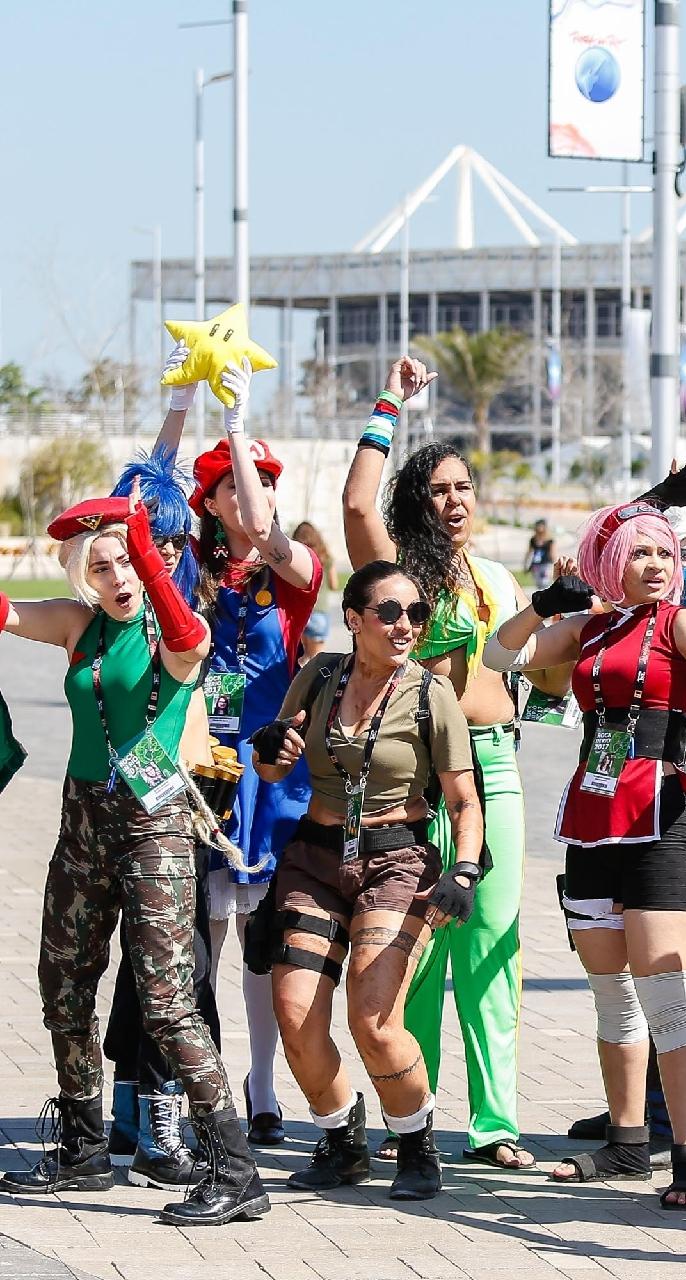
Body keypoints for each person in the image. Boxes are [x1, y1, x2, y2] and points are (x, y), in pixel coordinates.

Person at [0, 487, 267, 1225]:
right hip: (83, 815)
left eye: (126, 564)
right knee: (63, 981)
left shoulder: (180, 633)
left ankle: (236, 1170)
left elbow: (181, 628)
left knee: (168, 998)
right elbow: (4, 613)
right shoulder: (79, 624)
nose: (117, 577)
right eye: (103, 565)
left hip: (155, 825)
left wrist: (143, 544)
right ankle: (83, 1146)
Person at [483, 499, 686, 1208]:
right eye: (641, 553)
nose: (659, 565)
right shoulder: (587, 628)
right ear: (611, 563)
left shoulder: (685, 624)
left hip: (665, 813)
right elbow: (498, 654)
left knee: (666, 993)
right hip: (593, 814)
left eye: (666, 552)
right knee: (612, 995)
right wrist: (544, 603)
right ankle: (629, 1146)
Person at [343, 358, 558, 1171]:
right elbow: (355, 501)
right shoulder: (399, 573)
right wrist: (391, 402)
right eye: (438, 489)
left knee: (493, 947)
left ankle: (496, 1123)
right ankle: (415, 1118)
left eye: (464, 486)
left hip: (494, 772)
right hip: (416, 782)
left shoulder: (500, 578)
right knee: (414, 954)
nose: (455, 500)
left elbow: (539, 670)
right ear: (417, 502)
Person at [251, 560, 483, 1201]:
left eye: (415, 614)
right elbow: (272, 771)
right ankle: (341, 1139)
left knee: (374, 1019)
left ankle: (415, 1141)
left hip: (396, 861)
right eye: (389, 612)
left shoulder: (430, 694)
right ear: (354, 619)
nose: (405, 624)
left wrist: (463, 869)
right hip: (316, 858)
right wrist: (270, 750)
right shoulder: (320, 674)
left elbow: (464, 799)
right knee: (295, 1016)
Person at [189, 362, 325, 1151]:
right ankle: (199, 1095)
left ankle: (264, 1089)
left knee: (267, 942)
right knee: (197, 943)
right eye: (238, 485)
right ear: (210, 502)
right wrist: (187, 409)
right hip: (202, 771)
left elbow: (277, 541)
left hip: (274, 776)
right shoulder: (191, 573)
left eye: (267, 482)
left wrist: (241, 425)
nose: (255, 493)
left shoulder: (292, 574)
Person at [98, 352, 219, 1192]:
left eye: (179, 540)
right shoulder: (115, 595)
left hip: (181, 798)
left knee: (179, 972)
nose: (165, 551)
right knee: (147, 971)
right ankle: (134, 1115)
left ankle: (152, 1117)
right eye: (156, 540)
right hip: (112, 804)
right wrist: (175, 402)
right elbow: (135, 497)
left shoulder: (184, 602)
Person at [291, 521, 340, 663]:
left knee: (300, 660)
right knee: (317, 662)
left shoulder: (294, 557)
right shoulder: (326, 558)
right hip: (319, 612)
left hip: (298, 613)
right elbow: (334, 585)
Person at [526, 519, 556, 590]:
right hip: (536, 564)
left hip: (546, 564)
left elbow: (553, 553)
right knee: (538, 583)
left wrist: (554, 565)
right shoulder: (533, 540)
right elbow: (529, 552)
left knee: (545, 583)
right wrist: (526, 563)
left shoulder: (549, 540)